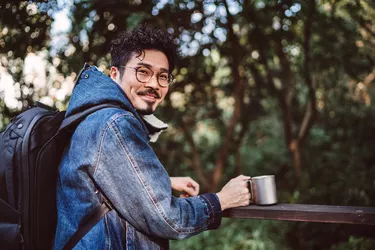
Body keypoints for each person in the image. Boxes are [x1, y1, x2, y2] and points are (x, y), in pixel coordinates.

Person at [54, 24, 251, 250]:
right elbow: (167, 218)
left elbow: (96, 180)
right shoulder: (115, 123)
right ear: (115, 74)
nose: (153, 84)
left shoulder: (94, 114)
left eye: (163, 76)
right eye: (143, 71)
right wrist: (223, 200)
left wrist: (164, 182)